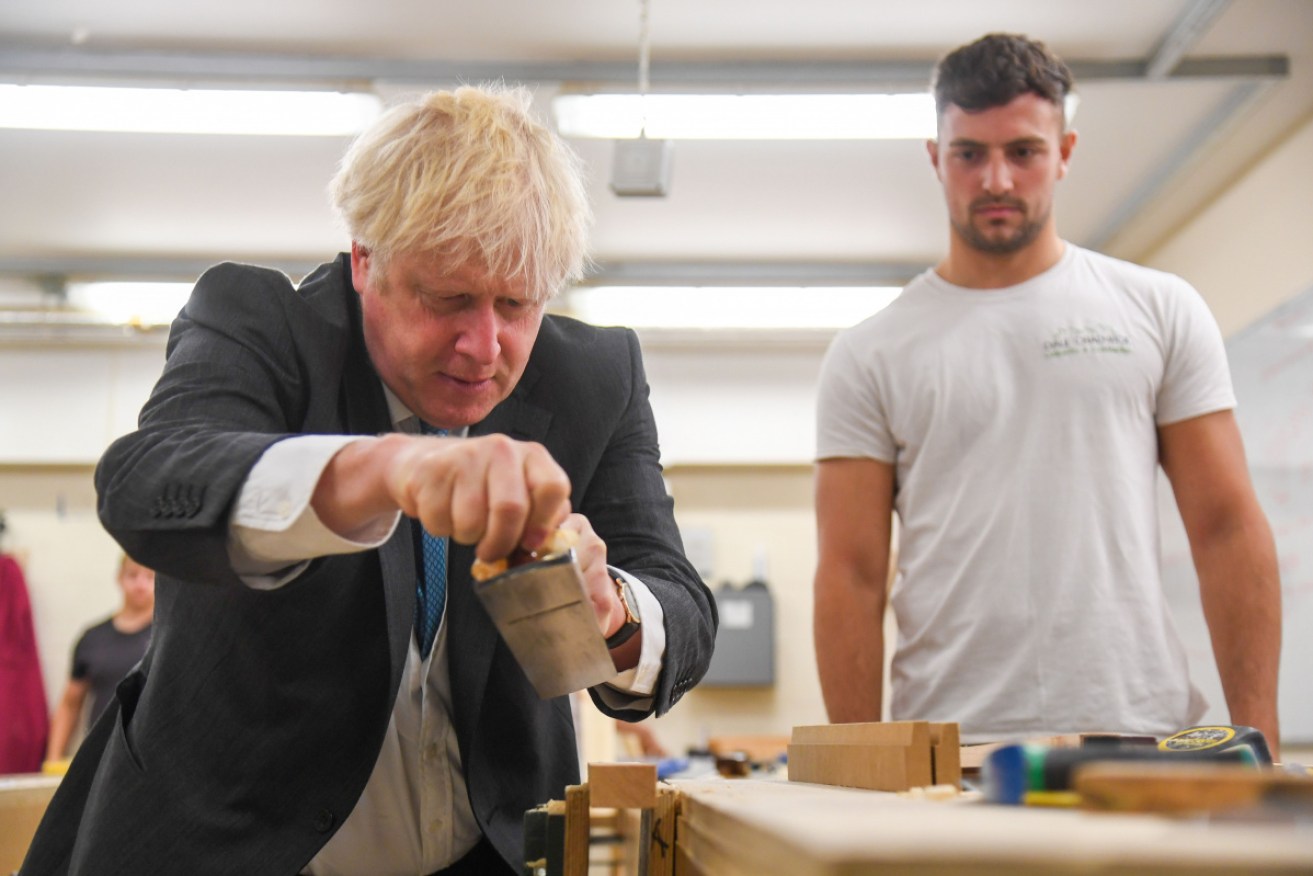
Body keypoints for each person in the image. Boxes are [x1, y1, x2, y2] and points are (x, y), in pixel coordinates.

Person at [22, 84, 716, 876]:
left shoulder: (595, 377)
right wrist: (388, 466)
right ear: (364, 260)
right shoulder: (258, 325)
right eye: (447, 298)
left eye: (517, 304)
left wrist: (613, 611)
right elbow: (147, 487)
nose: (483, 347)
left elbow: (681, 606)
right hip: (231, 848)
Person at [813, 33, 1281, 754]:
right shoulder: (869, 351)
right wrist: (856, 766)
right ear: (936, 160)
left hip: (1138, 732)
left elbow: (1224, 528)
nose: (995, 179)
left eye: (1022, 152)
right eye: (968, 153)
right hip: (951, 745)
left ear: (1063, 152)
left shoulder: (1158, 309)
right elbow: (850, 573)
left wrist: (1261, 741)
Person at [45, 555, 155, 763]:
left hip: (150, 755)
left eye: (149, 577)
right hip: (100, 756)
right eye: (133, 575)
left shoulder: (166, 636)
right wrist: (53, 758)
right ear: (119, 577)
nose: (141, 585)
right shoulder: (93, 638)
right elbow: (70, 703)